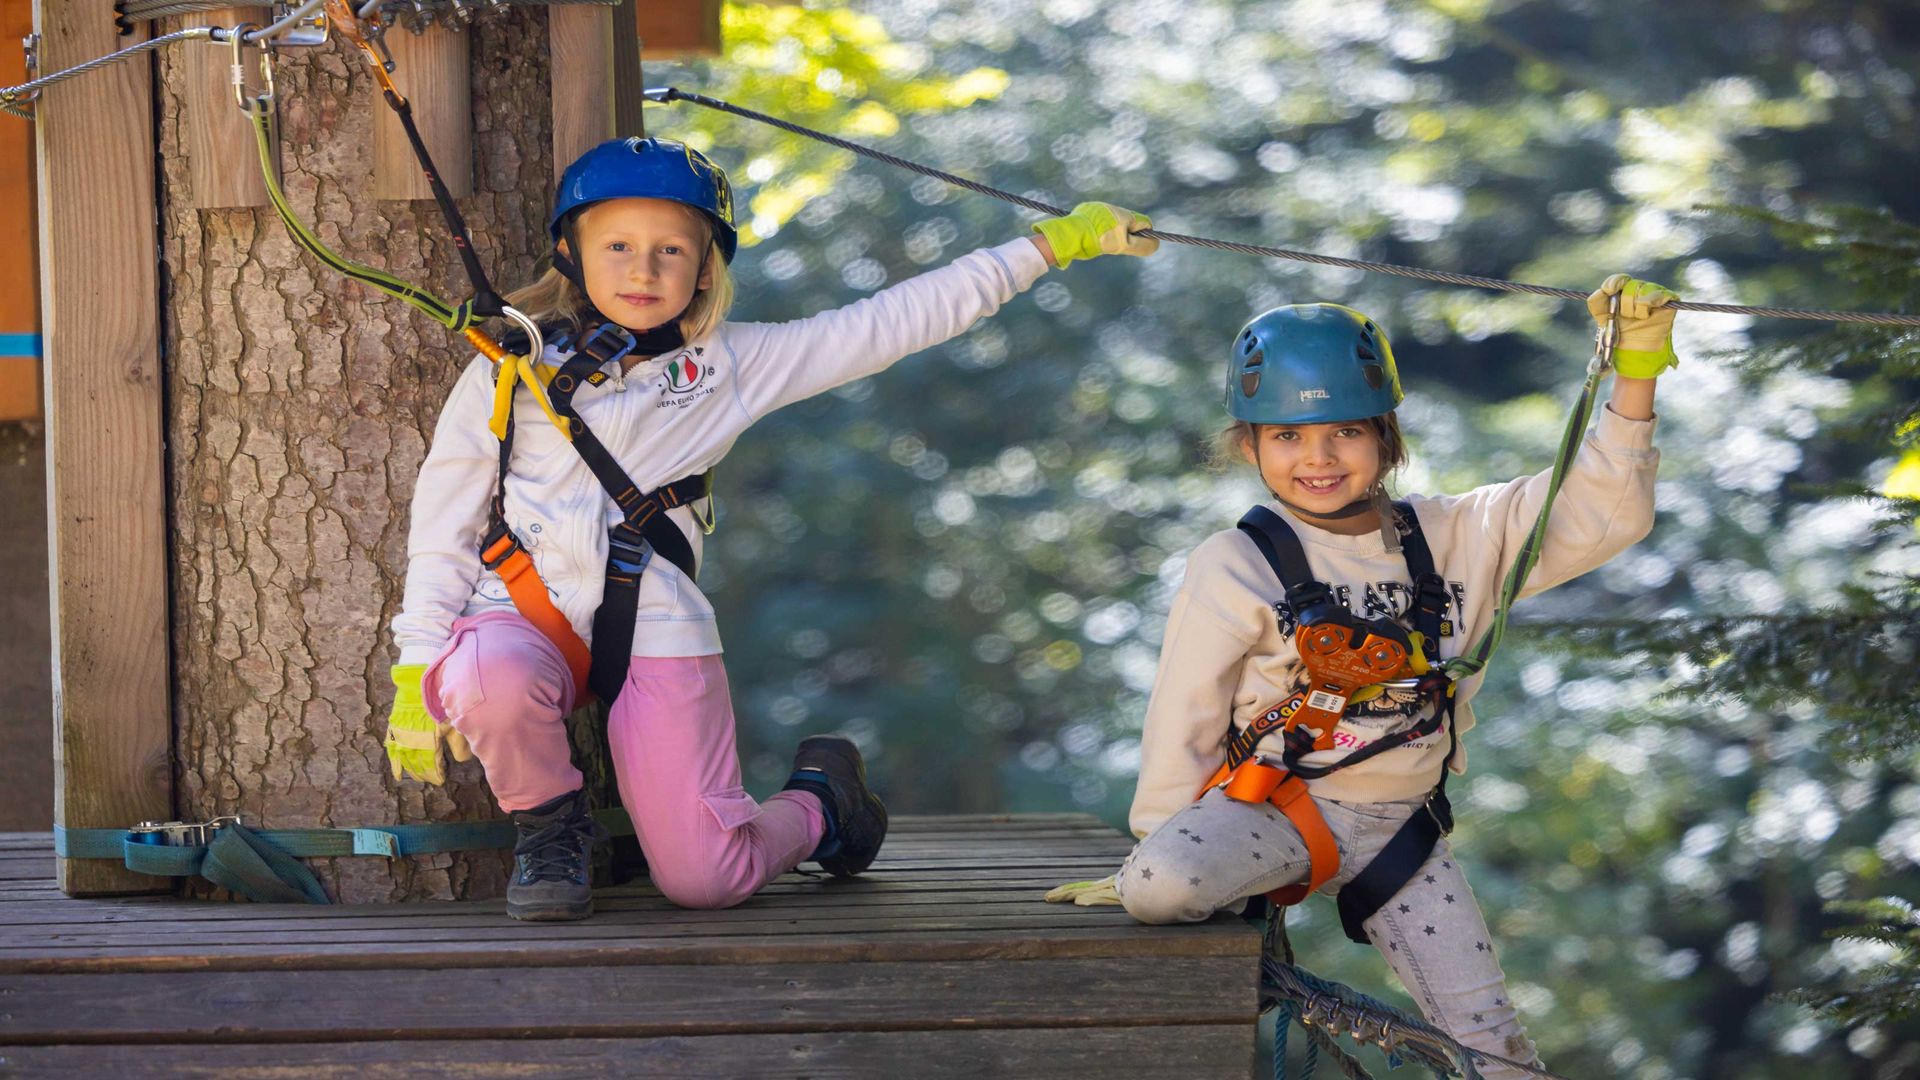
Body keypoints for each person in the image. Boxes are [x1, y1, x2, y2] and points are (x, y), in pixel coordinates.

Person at [380, 135, 1157, 921]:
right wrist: (418, 664)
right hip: (516, 612)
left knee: (705, 880)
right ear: (570, 252)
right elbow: (445, 515)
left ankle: (821, 804)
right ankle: (550, 834)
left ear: (705, 267)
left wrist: (1050, 246)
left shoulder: (733, 365)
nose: (643, 271)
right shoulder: (509, 365)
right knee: (485, 677)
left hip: (650, 617)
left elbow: (895, 321)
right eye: (617, 245)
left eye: (670, 250)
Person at [1107, 276, 1676, 1074]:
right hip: (1278, 808)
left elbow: (1601, 510)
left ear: (1386, 438)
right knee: (1161, 884)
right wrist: (1159, 843)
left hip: (1399, 829)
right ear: (1250, 446)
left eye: (1344, 432)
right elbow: (1184, 716)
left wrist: (1637, 369)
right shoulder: (1233, 565)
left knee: (1493, 1042)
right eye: (1288, 437)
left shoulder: (1456, 535)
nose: (1318, 458)